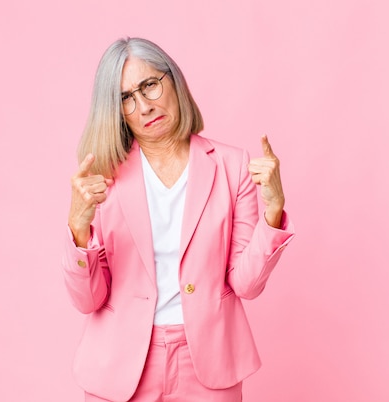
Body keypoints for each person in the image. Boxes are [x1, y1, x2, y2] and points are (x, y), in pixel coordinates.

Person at [62, 37, 295, 402]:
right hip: (120, 366)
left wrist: (273, 211)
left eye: (149, 85)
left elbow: (246, 285)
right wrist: (78, 227)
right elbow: (87, 300)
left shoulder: (232, 166)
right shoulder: (104, 178)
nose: (143, 106)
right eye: (125, 98)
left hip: (209, 364)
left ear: (173, 79)